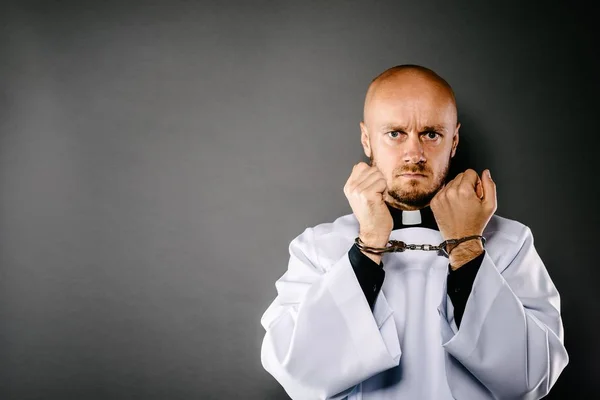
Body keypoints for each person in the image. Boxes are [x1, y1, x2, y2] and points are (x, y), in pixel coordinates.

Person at [260, 64, 568, 399]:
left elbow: (533, 378)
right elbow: (297, 373)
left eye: (431, 134)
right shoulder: (318, 248)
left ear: (454, 140)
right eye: (395, 134)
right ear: (367, 139)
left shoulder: (510, 244)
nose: (414, 154)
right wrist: (368, 247)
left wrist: (466, 247)